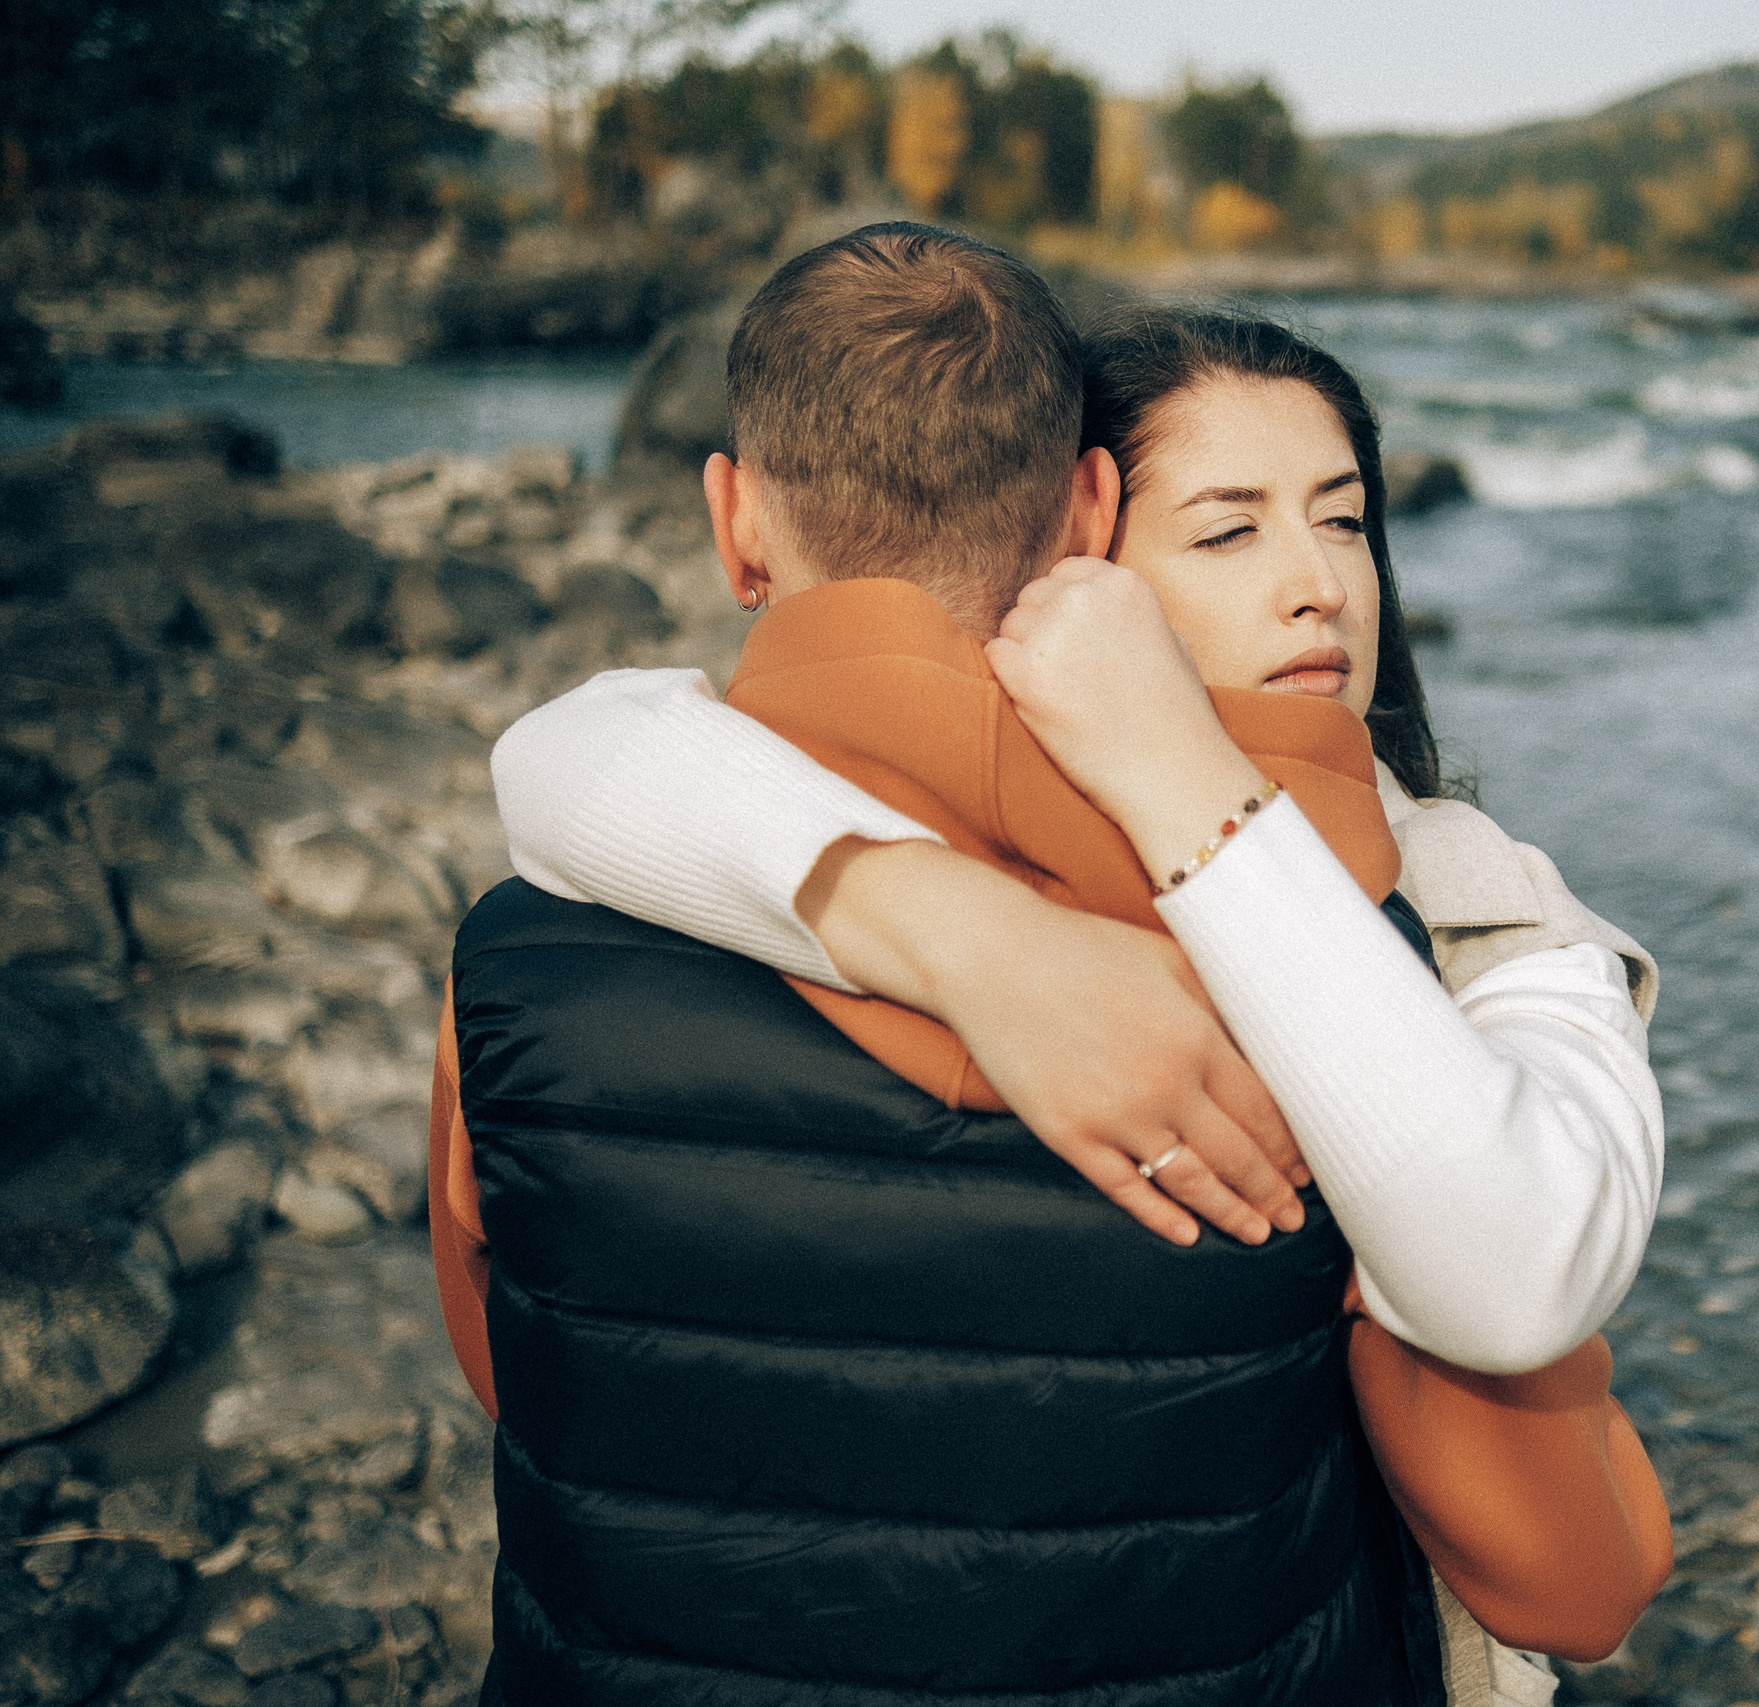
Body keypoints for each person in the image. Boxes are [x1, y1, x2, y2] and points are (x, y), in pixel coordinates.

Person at [484, 299, 1669, 1702]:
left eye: (1346, 520)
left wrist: (1162, 776)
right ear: (1073, 550)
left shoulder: (1479, 903)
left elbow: (574, 760)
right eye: (1228, 531)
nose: (1322, 587)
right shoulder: (1355, 925)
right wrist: (974, 927)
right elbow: (1578, 1571)